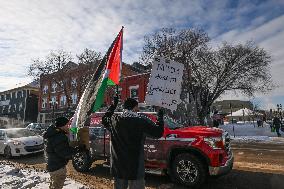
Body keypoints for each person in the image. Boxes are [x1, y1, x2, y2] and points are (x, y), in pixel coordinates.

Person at [102, 97, 164, 189]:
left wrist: (113, 106)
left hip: (118, 167)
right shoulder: (141, 121)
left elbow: (104, 119)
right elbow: (158, 132)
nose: (138, 109)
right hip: (135, 168)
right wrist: (160, 116)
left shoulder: (114, 120)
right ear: (134, 108)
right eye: (137, 107)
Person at [43, 117, 76, 189]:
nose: (69, 127)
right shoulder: (58, 136)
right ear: (62, 126)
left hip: (52, 165)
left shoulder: (53, 133)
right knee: (57, 186)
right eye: (67, 125)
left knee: (53, 185)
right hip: (57, 168)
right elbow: (65, 153)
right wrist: (76, 150)